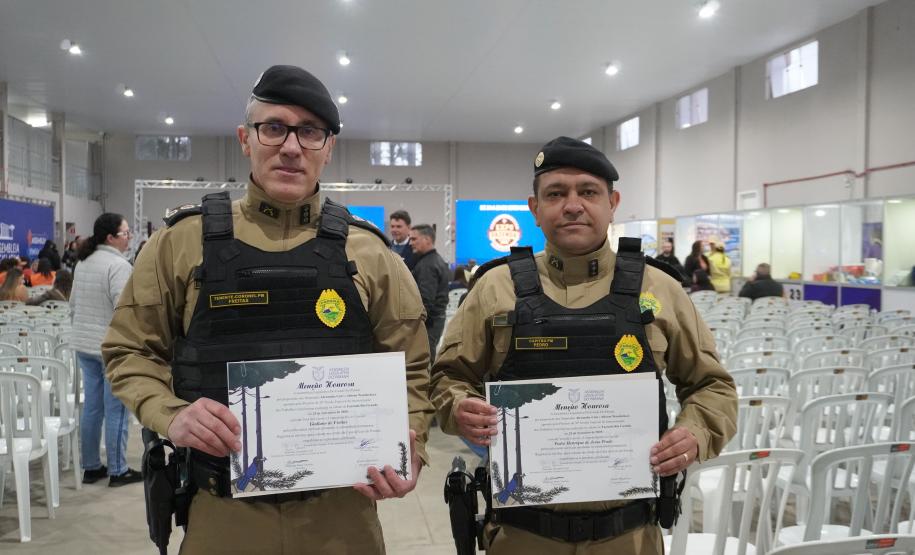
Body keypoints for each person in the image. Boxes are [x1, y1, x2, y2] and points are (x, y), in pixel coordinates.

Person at [102, 64, 434, 553]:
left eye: (310, 132)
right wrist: (171, 415)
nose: (292, 146)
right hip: (222, 513)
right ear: (245, 138)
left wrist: (414, 449)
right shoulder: (180, 244)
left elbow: (413, 370)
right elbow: (129, 351)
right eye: (274, 127)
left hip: (342, 516)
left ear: (328, 147)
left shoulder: (371, 254)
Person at [430, 136, 737, 554]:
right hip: (522, 536)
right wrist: (457, 407)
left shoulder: (660, 288)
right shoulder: (494, 288)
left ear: (612, 202)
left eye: (588, 192)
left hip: (629, 536)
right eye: (555, 193)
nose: (572, 204)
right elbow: (448, 376)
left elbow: (713, 386)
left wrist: (695, 432)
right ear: (535, 209)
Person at [70, 213, 141, 487]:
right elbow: (123, 311)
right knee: (117, 409)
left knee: (92, 408)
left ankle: (90, 466)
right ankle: (118, 469)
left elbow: (73, 303)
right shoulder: (118, 265)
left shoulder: (84, 261)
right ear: (111, 238)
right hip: (110, 347)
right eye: (125, 233)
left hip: (85, 345)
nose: (129, 237)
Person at [410, 223, 450, 358]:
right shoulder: (436, 260)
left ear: (427, 239)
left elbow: (425, 300)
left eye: (414, 239)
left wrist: (415, 325)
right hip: (435, 321)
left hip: (428, 324)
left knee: (424, 360)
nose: (411, 243)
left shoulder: (428, 265)